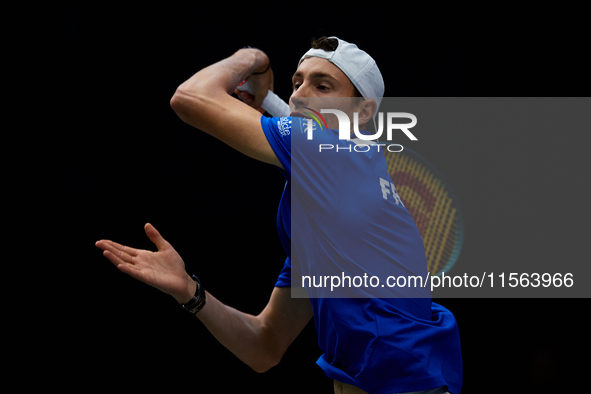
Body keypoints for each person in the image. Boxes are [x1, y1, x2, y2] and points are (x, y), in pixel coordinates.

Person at [96, 36, 462, 393]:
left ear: (363, 112)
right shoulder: (327, 216)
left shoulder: (332, 153)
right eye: (297, 82)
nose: (301, 94)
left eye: (323, 85)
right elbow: (264, 345)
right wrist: (191, 292)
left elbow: (190, 97)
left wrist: (253, 57)